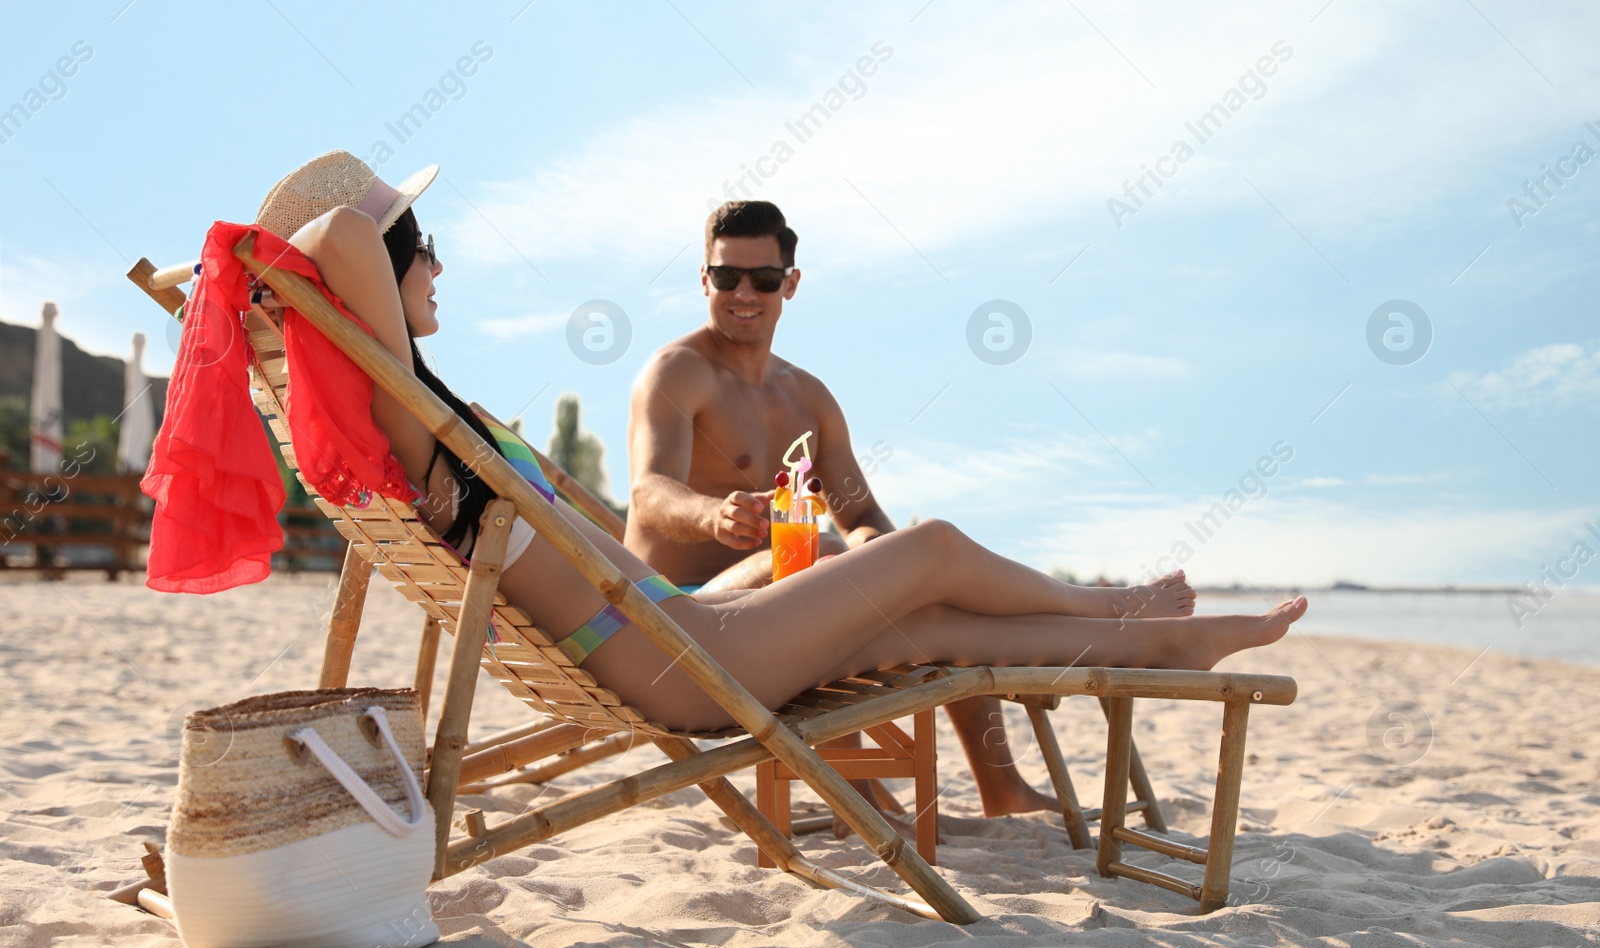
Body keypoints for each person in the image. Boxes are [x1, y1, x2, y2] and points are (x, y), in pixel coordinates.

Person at [251, 154, 1306, 743]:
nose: (437, 263)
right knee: (934, 549)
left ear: (787, 285)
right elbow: (337, 237)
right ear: (379, 270)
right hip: (682, 662)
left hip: (683, 627)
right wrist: (289, 266)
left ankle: (1161, 641)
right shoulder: (409, 421)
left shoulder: (435, 421)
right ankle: (1114, 607)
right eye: (420, 245)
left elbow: (841, 505)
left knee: (930, 606)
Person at [622, 201, 1197, 816]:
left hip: (773, 604)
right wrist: (715, 515)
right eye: (727, 276)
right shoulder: (679, 371)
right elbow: (648, 491)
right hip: (677, 612)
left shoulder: (808, 397)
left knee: (908, 579)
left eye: (762, 279)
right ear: (703, 279)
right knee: (824, 556)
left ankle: (1001, 787)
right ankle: (862, 786)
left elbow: (861, 510)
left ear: (789, 283)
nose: (744, 293)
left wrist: (874, 547)